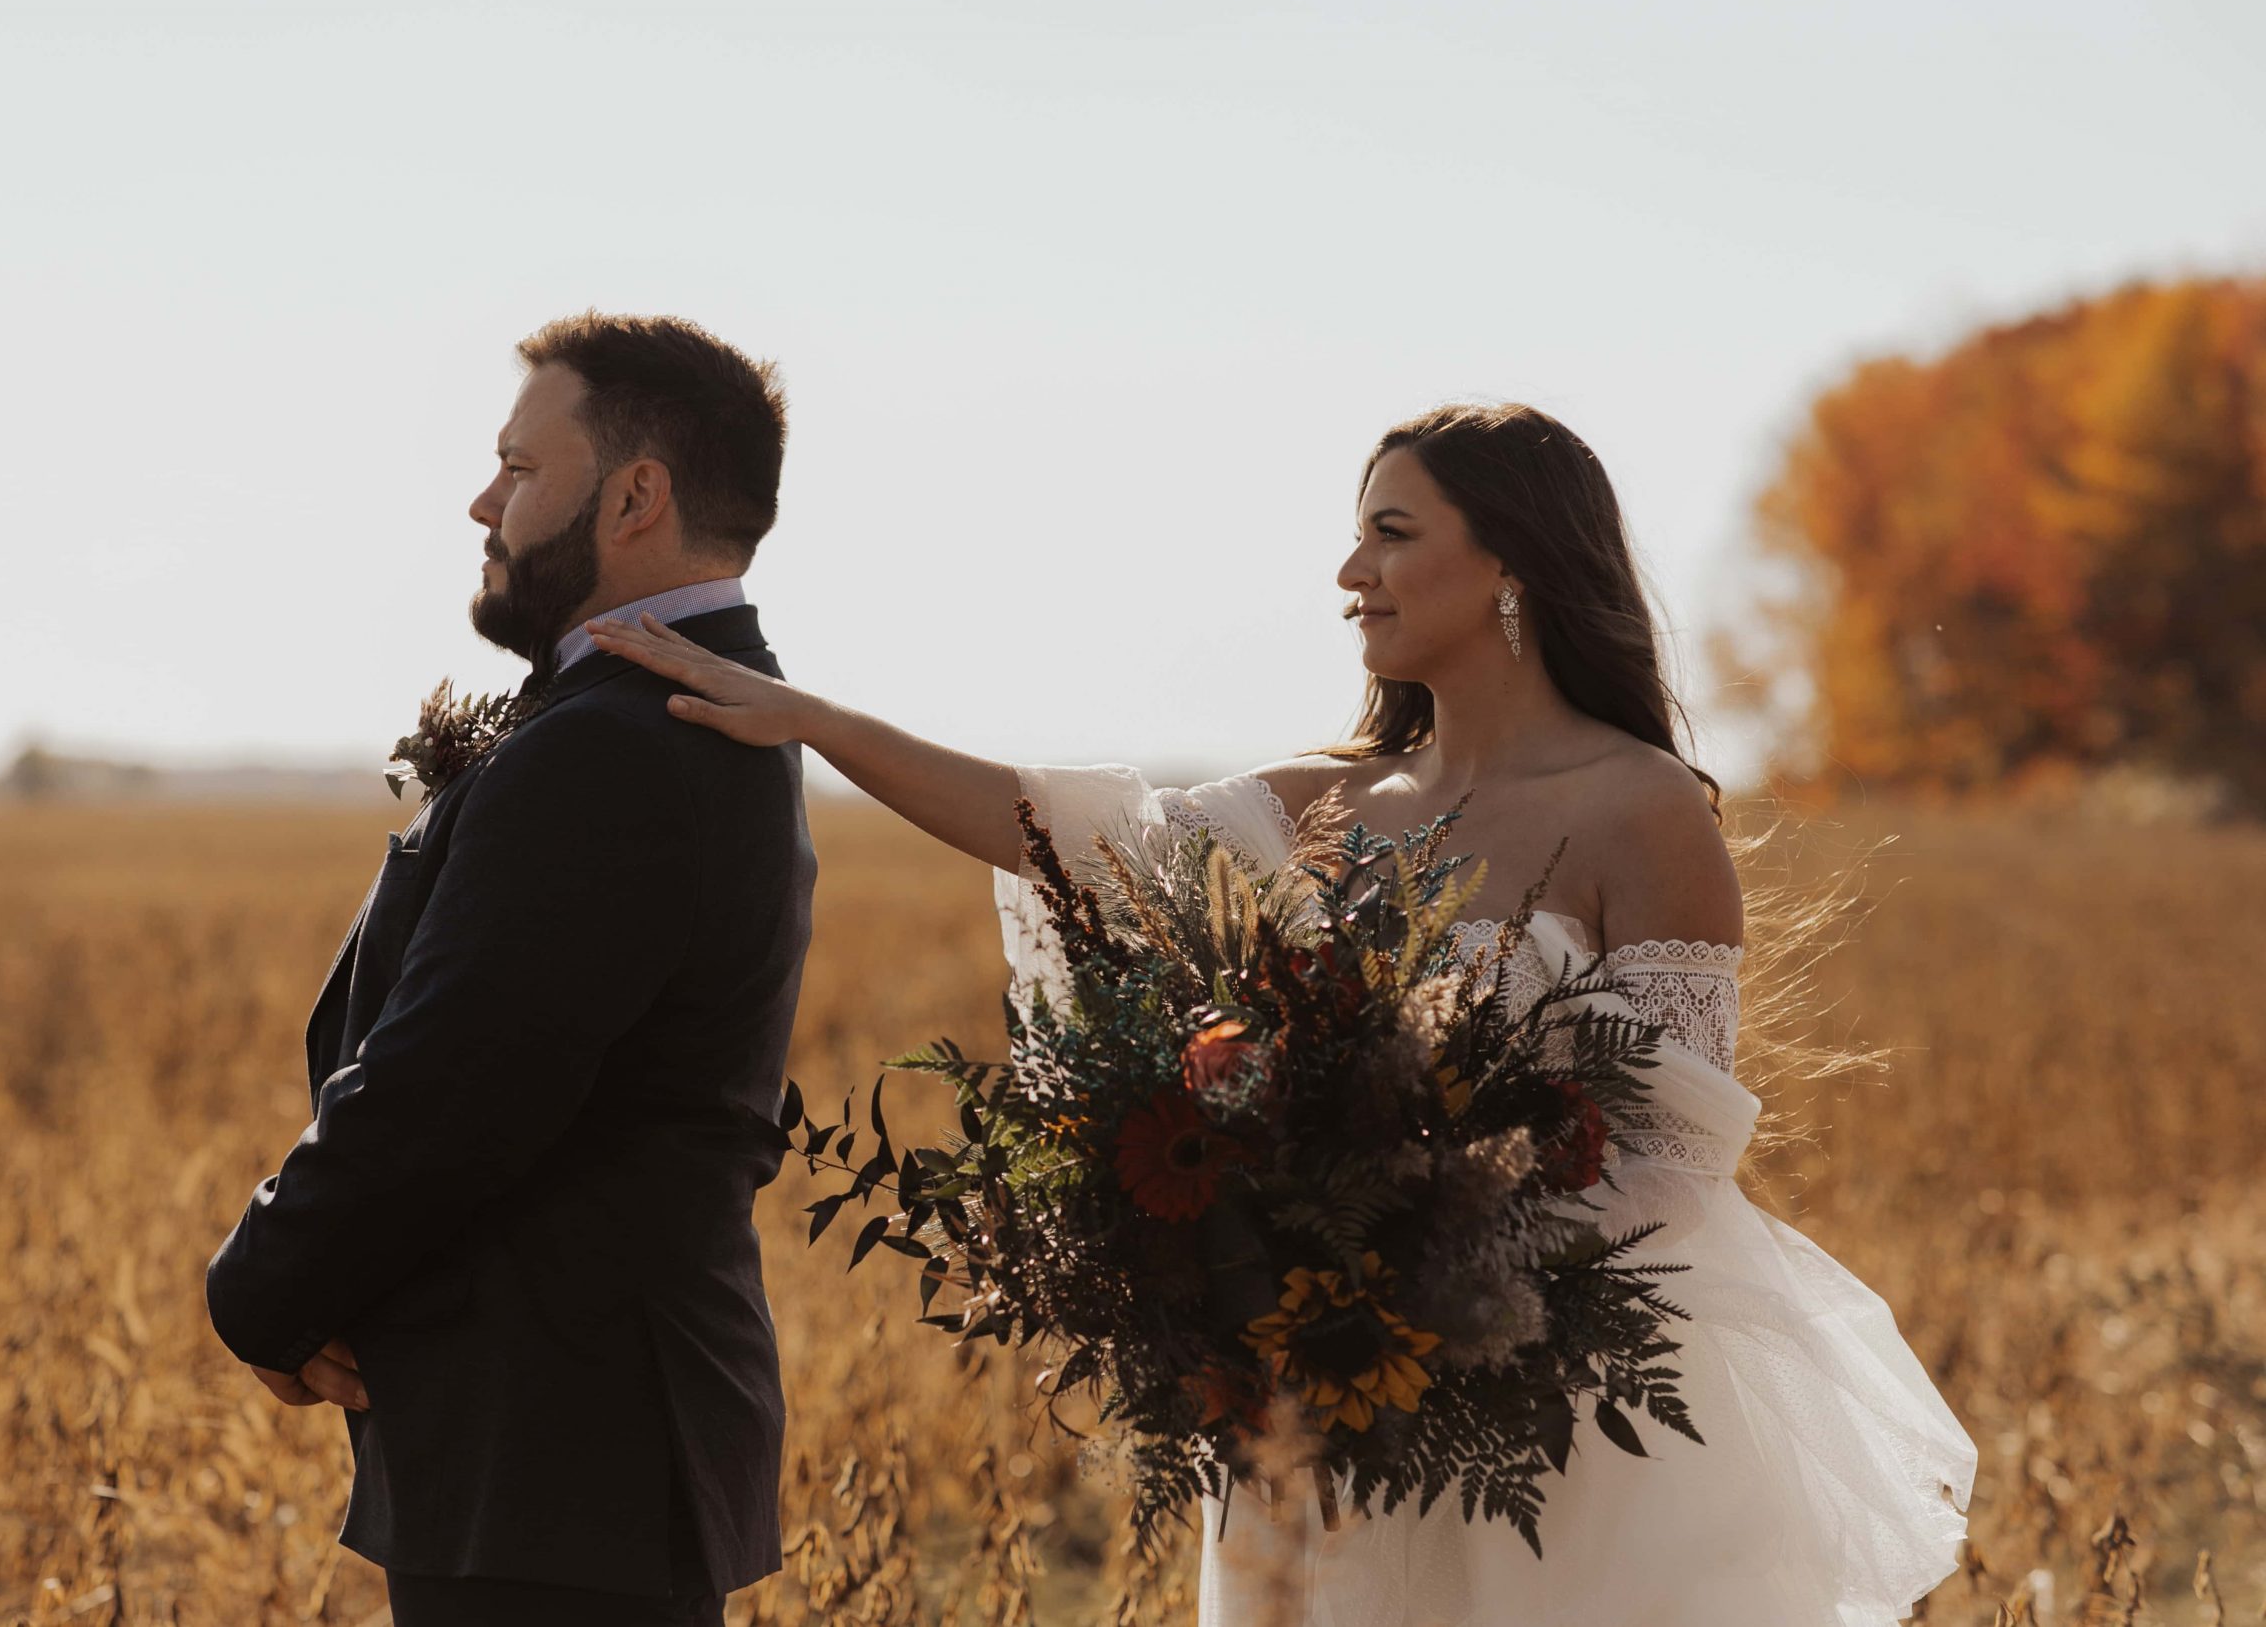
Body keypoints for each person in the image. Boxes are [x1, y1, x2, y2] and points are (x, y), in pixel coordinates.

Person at [584, 401, 1979, 1625]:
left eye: (1390, 532)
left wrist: (1435, 1289)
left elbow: (1676, 1149)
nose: (1348, 572)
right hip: (1311, 1408)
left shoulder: (1645, 810)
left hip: (1555, 1418)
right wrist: (815, 720)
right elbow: (1065, 831)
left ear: (1511, 567)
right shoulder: (1322, 805)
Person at [204, 311, 817, 1626]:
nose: (482, 503)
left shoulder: (625, 740)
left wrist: (261, 1287)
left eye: (521, 469)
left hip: (556, 1451)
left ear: (637, 495)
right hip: (564, 1453)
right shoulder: (685, 714)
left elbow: (455, 1085)